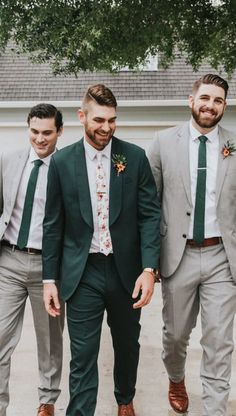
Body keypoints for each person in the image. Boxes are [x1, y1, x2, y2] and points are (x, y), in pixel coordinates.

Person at [42, 84, 160, 416]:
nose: (105, 128)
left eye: (111, 120)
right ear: (82, 117)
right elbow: (53, 224)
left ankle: (125, 398)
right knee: (82, 356)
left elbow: (150, 215)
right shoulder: (62, 162)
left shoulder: (133, 157)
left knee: (127, 346)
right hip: (83, 273)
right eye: (98, 120)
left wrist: (149, 269)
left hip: (127, 272)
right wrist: (49, 278)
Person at [147, 73, 236, 416]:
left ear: (224, 106)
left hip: (221, 258)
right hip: (178, 256)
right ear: (191, 99)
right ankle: (176, 377)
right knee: (175, 338)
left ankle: (214, 409)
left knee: (219, 341)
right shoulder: (162, 142)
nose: (210, 105)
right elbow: (149, 206)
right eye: (205, 98)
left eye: (218, 100)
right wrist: (150, 260)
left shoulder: (233, 145)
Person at [0, 103, 65, 416]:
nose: (40, 139)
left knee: (50, 341)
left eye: (47, 133)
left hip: (48, 268)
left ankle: (47, 401)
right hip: (9, 261)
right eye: (35, 132)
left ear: (59, 132)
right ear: (28, 129)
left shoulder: (66, 168)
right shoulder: (9, 161)